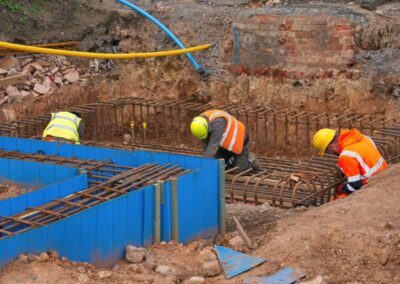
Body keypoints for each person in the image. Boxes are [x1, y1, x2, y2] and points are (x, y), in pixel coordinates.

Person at [312, 128, 387, 197]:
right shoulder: (363, 137)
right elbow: (365, 160)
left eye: (329, 152)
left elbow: (355, 185)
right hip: (386, 174)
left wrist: (340, 189)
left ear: (330, 147)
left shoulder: (346, 155)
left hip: (372, 186)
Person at [190, 109, 261, 171]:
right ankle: (230, 160)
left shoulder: (218, 122)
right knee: (218, 166)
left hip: (239, 140)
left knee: (240, 169)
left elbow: (213, 146)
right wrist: (205, 162)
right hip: (224, 145)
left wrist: (204, 164)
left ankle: (251, 160)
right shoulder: (200, 122)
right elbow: (206, 144)